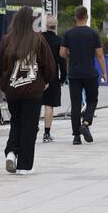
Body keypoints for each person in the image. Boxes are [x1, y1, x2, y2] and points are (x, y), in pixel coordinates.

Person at [0, 6, 55, 174]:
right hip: (33, 90)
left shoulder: (6, 40)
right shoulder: (38, 40)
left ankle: (11, 152)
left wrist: (4, 85)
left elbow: (0, 66)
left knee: (16, 122)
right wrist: (45, 81)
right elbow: (48, 65)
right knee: (29, 126)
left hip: (13, 90)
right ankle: (24, 165)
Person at [60, 6, 104, 145]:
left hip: (74, 73)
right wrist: (104, 72)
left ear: (75, 17)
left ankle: (76, 136)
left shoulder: (69, 33)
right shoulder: (93, 33)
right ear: (87, 17)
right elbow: (100, 55)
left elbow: (62, 53)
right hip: (90, 72)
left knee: (76, 104)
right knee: (92, 100)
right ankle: (85, 123)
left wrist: (70, 55)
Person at [41, 13, 66, 143]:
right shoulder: (59, 41)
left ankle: (32, 128)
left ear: (45, 25)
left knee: (34, 103)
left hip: (37, 75)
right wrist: (63, 78)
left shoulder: (38, 38)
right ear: (55, 26)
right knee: (49, 105)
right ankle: (46, 133)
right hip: (52, 76)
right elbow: (62, 61)